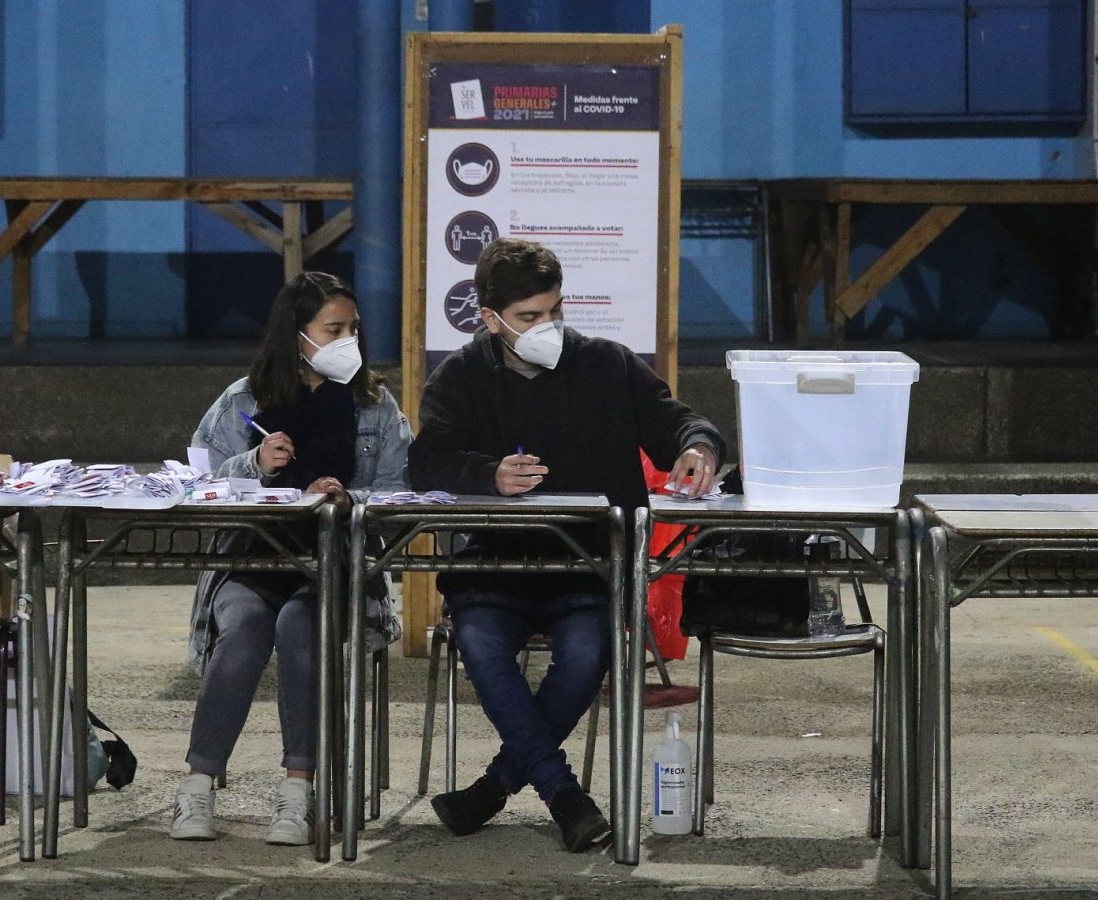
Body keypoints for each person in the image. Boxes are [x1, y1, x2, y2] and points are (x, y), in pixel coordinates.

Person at [408, 238, 725, 852]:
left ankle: (493, 789)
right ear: (489, 318)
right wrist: (488, 475)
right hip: (493, 572)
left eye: (555, 311)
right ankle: (566, 796)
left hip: (589, 571)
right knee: (480, 644)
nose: (547, 326)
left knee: (585, 656)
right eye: (529, 318)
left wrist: (698, 450)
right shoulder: (462, 376)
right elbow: (426, 462)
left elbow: (682, 422)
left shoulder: (607, 363)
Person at [174, 272, 411, 845]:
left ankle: (297, 793)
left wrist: (351, 499)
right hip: (251, 559)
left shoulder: (374, 406)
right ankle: (197, 788)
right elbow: (198, 485)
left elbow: (402, 494)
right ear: (297, 334)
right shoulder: (241, 400)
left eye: (352, 328)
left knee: (300, 625)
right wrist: (256, 464)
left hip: (335, 565)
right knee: (248, 627)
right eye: (333, 329)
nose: (346, 339)